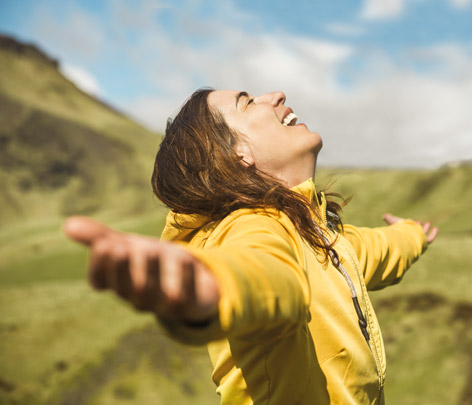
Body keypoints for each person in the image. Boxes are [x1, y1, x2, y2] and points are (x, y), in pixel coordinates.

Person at [64, 88, 438, 404]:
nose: (275, 95)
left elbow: (374, 249)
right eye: (246, 102)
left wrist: (412, 234)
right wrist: (211, 288)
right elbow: (264, 275)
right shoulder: (254, 225)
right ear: (236, 154)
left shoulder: (318, 233)